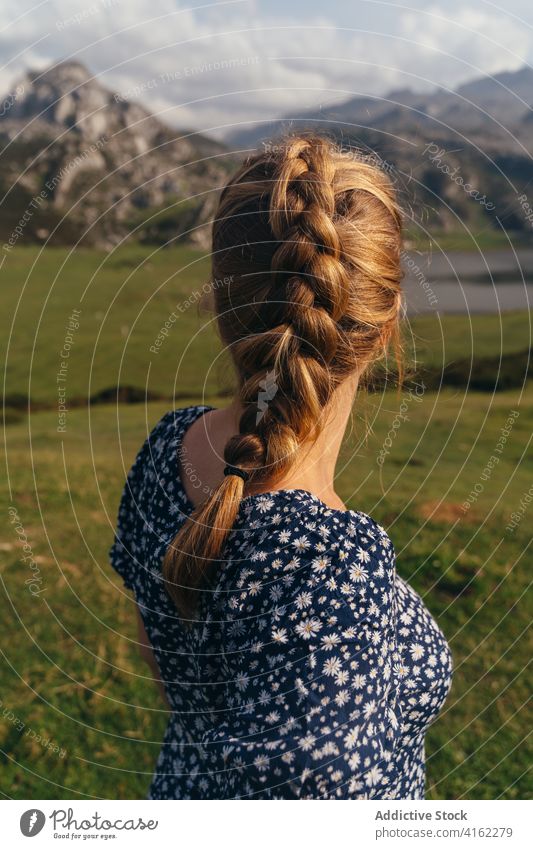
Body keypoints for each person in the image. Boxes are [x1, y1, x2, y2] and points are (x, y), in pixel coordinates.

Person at [109, 133, 453, 799]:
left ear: (221, 303)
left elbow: (163, 653)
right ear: (384, 327)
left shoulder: (168, 450)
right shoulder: (328, 566)